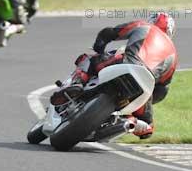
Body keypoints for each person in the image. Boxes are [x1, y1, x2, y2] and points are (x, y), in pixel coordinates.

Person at [68, 11, 178, 140]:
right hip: (145, 85)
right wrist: (147, 99)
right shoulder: (174, 56)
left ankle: (77, 84)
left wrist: (99, 47)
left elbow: (109, 33)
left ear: (152, 21)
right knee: (147, 127)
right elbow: (162, 91)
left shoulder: (143, 26)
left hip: (127, 64)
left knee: (88, 59)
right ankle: (129, 121)